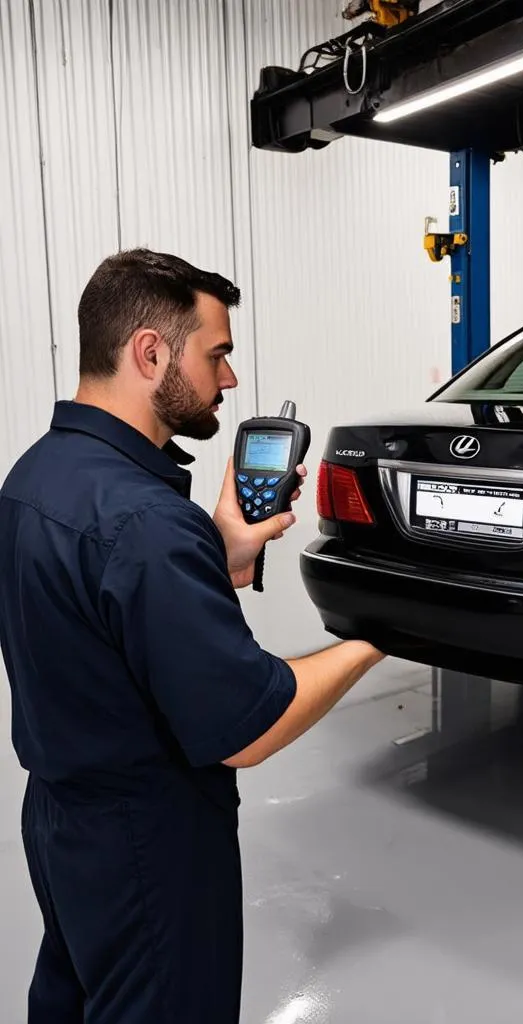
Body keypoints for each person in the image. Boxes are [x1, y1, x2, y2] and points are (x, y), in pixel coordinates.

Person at [0, 248, 386, 1023]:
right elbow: (248, 727)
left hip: (60, 819)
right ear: (150, 352)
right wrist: (381, 632)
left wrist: (213, 547)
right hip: (151, 839)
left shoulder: (37, 476)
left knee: (76, 1000)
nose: (230, 381)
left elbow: (101, 608)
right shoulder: (145, 524)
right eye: (217, 354)